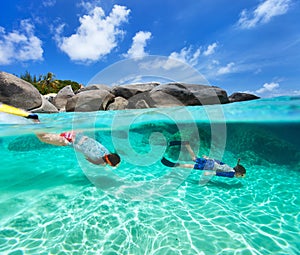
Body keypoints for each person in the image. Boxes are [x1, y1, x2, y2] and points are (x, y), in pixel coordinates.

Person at [161, 141, 246, 178]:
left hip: (211, 162)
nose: (240, 177)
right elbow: (221, 174)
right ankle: (173, 164)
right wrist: (210, 173)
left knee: (194, 158)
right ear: (239, 173)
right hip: (210, 166)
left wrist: (209, 158)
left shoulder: (230, 167)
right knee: (191, 166)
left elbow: (220, 162)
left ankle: (186, 144)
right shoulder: (231, 174)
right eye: (242, 175)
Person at [35, 131, 121, 167]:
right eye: (112, 165)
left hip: (77, 135)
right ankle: (34, 123)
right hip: (69, 140)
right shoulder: (97, 158)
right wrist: (68, 143)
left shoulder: (106, 151)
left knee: (50, 134)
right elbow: (81, 149)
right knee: (43, 137)